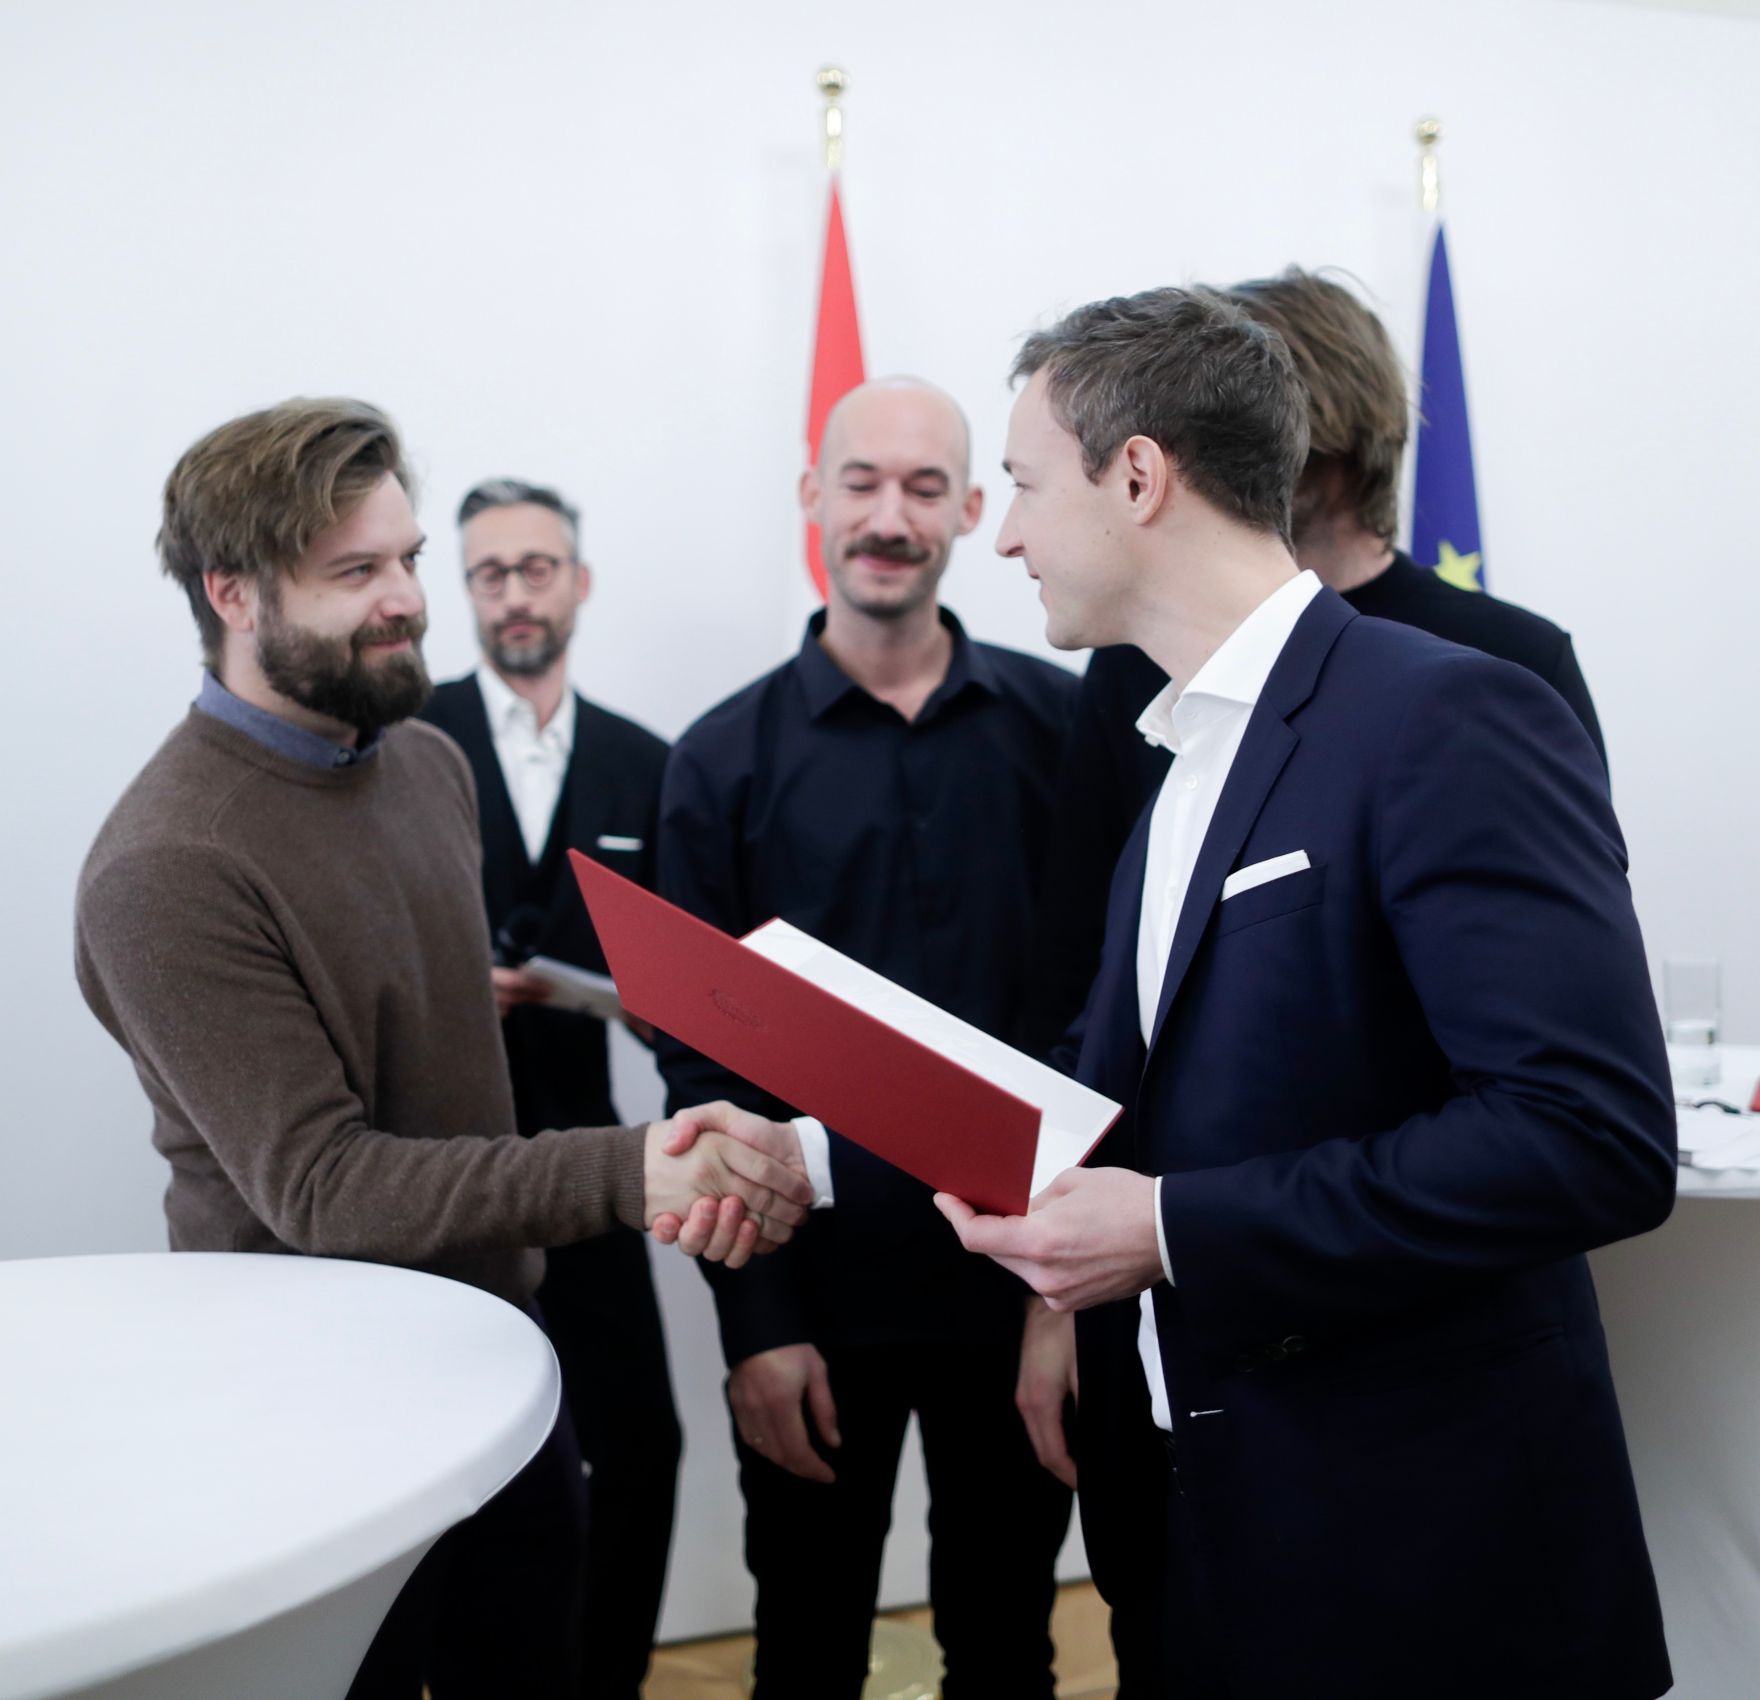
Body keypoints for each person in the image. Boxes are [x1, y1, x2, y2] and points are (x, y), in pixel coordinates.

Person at [936, 292, 1676, 1699]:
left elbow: (1587, 1136)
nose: (1006, 535)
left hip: (1422, 1555)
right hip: (1213, 1520)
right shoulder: (1178, 748)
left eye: (1023, 485)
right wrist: (807, 1152)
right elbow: (1105, 1088)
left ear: (1137, 477)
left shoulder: (1451, 712)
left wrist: (1170, 1226)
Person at [74, 398, 812, 1700]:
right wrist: (632, 1168)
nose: (409, 602)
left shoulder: (425, 765)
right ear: (232, 593)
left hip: (501, 1368)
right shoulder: (165, 867)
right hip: (314, 1414)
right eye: (355, 572)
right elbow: (324, 1186)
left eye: (408, 559)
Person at [655, 378, 1078, 1699]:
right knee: (806, 1654)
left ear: (969, 507)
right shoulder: (716, 762)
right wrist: (756, 1327)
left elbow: (1097, 1033)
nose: (888, 517)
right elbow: (699, 1075)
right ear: (812, 497)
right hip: (815, 1306)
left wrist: (1065, 1306)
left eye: (922, 486)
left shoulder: (1066, 733)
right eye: (860, 482)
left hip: (1020, 1293)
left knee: (1008, 1650)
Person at [1024, 266, 1609, 1057]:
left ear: (1319, 440)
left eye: (1241, 421)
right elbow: (1089, 983)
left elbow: (1549, 1040)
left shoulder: (1497, 671)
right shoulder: (1140, 665)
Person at [420, 478, 680, 1699]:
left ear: (578, 581)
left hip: (591, 1161)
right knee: (455, 1465)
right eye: (491, 573)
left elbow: (686, 972)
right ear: (464, 592)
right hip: (437, 1171)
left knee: (639, 1444)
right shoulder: (405, 745)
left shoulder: (646, 763)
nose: (516, 594)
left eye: (536, 567)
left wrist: (632, 996)